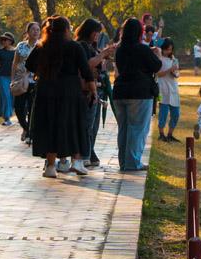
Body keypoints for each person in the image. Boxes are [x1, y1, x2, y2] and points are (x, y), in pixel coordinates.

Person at [26, 16, 95, 178]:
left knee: (50, 126)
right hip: (69, 90)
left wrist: (42, 71)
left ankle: (50, 166)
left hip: (46, 90)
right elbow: (86, 71)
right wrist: (93, 91)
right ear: (66, 30)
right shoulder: (74, 47)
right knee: (73, 124)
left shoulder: (42, 47)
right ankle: (76, 161)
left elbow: (29, 65)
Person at [106, 17, 160, 172]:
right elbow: (156, 66)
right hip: (140, 93)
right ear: (139, 32)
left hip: (120, 91)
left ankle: (124, 162)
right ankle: (133, 162)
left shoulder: (120, 50)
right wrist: (157, 54)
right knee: (137, 128)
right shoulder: (142, 49)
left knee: (124, 128)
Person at [75, 18, 106, 162]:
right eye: (96, 32)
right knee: (87, 125)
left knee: (93, 126)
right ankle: (84, 156)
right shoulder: (81, 46)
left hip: (96, 89)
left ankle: (89, 152)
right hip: (86, 91)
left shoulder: (91, 46)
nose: (97, 35)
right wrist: (102, 55)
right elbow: (86, 66)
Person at [13, 21, 41, 138]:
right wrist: (12, 79)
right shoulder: (21, 46)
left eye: (38, 30)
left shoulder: (41, 46)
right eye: (33, 29)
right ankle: (25, 127)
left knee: (32, 108)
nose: (35, 31)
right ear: (28, 32)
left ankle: (29, 132)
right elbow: (15, 63)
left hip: (35, 82)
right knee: (18, 108)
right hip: (21, 80)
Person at [155, 39, 181, 140]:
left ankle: (170, 134)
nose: (169, 52)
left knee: (176, 113)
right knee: (163, 113)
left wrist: (175, 73)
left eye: (170, 49)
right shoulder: (159, 59)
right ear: (163, 49)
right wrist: (169, 70)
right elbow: (158, 74)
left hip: (173, 88)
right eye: (167, 49)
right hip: (162, 89)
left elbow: (177, 73)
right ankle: (161, 134)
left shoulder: (174, 60)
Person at [0, 33, 18, 126]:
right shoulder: (0, 52)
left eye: (6, 39)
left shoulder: (16, 51)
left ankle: (16, 115)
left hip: (14, 77)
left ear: (11, 40)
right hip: (2, 76)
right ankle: (7, 118)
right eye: (3, 40)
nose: (4, 41)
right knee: (5, 96)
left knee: (13, 97)